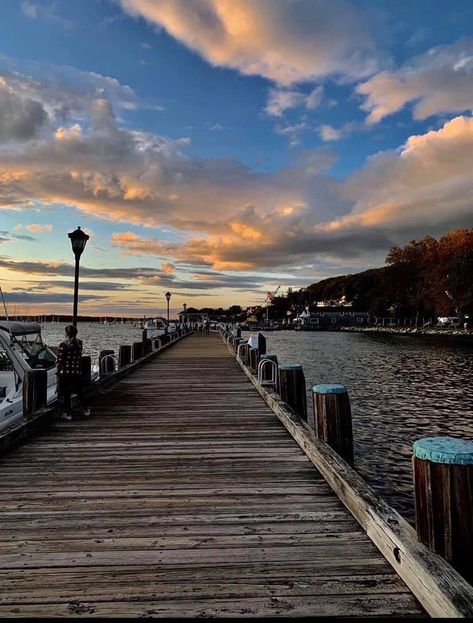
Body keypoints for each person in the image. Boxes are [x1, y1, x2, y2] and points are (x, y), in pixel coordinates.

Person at [56, 325, 90, 421]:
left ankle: (68, 413)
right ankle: (86, 409)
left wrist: (58, 372)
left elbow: (60, 359)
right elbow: (78, 356)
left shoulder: (63, 344)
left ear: (67, 333)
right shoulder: (79, 343)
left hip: (66, 372)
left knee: (66, 393)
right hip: (76, 371)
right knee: (79, 391)